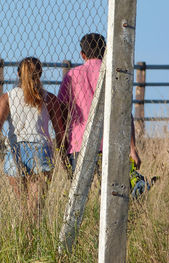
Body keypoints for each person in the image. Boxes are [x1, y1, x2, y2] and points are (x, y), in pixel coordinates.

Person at [0, 57, 65, 223]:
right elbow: (60, 131)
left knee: (24, 210)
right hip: (41, 151)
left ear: (18, 74)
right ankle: (33, 244)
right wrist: (63, 156)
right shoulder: (50, 99)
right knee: (36, 212)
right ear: (41, 73)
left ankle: (23, 245)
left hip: (15, 152)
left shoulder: (8, 98)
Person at [57, 33, 141, 177]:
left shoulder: (72, 75)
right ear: (105, 50)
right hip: (110, 142)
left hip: (78, 141)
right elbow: (125, 113)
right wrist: (132, 148)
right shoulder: (113, 74)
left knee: (80, 193)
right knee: (109, 191)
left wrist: (62, 144)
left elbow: (61, 111)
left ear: (82, 54)